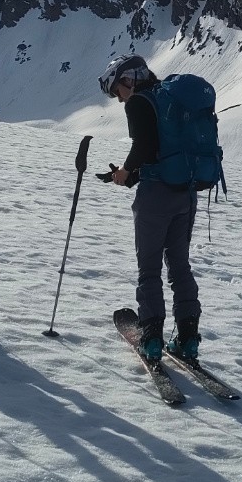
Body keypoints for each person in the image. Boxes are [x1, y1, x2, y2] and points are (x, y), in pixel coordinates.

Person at [98, 54, 205, 364]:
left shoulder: (140, 102)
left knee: (149, 269)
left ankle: (153, 340)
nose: (119, 99)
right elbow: (161, 150)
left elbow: (143, 147)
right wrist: (128, 173)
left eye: (117, 90)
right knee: (179, 265)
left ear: (128, 79)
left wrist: (125, 171)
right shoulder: (168, 97)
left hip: (155, 197)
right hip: (185, 192)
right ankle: (188, 339)